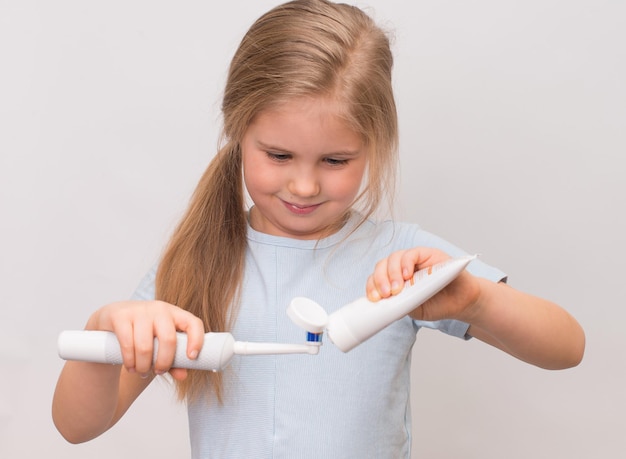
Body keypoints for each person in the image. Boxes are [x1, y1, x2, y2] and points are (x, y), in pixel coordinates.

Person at [52, 1, 585, 457]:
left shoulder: (402, 261)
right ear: (238, 132)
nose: (304, 186)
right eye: (278, 155)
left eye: (335, 160)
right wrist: (106, 330)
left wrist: (476, 302)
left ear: (374, 147)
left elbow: (566, 347)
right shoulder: (202, 259)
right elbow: (76, 427)